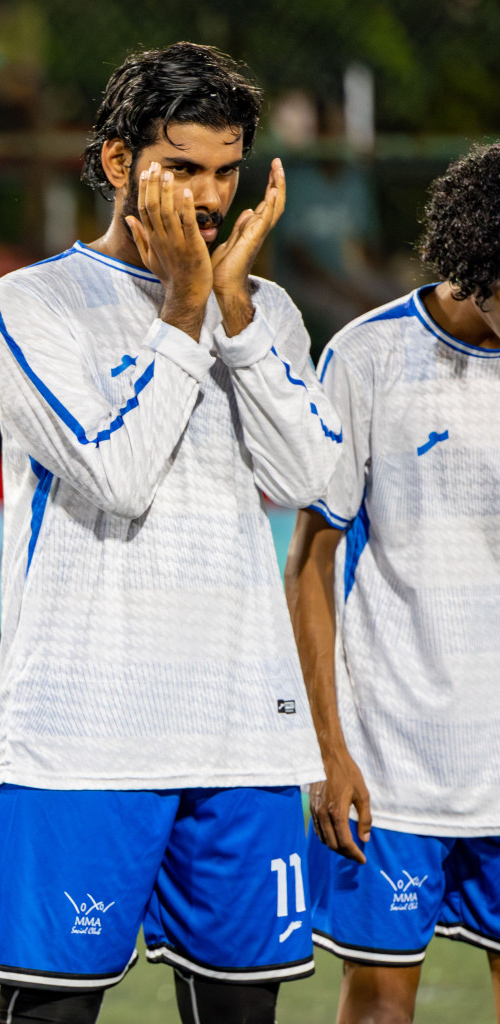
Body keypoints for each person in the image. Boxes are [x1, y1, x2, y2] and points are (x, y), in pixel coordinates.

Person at [0, 42, 343, 1024]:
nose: (208, 197)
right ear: (113, 163)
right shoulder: (29, 304)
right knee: (52, 1014)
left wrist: (229, 308)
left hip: (242, 743)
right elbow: (119, 475)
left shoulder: (264, 311)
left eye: (226, 172)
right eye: (181, 167)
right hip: (85, 741)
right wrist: (184, 308)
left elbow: (313, 480)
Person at [286, 142, 500, 1023]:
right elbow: (308, 562)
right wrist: (327, 752)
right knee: (377, 1007)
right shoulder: (367, 357)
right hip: (394, 758)